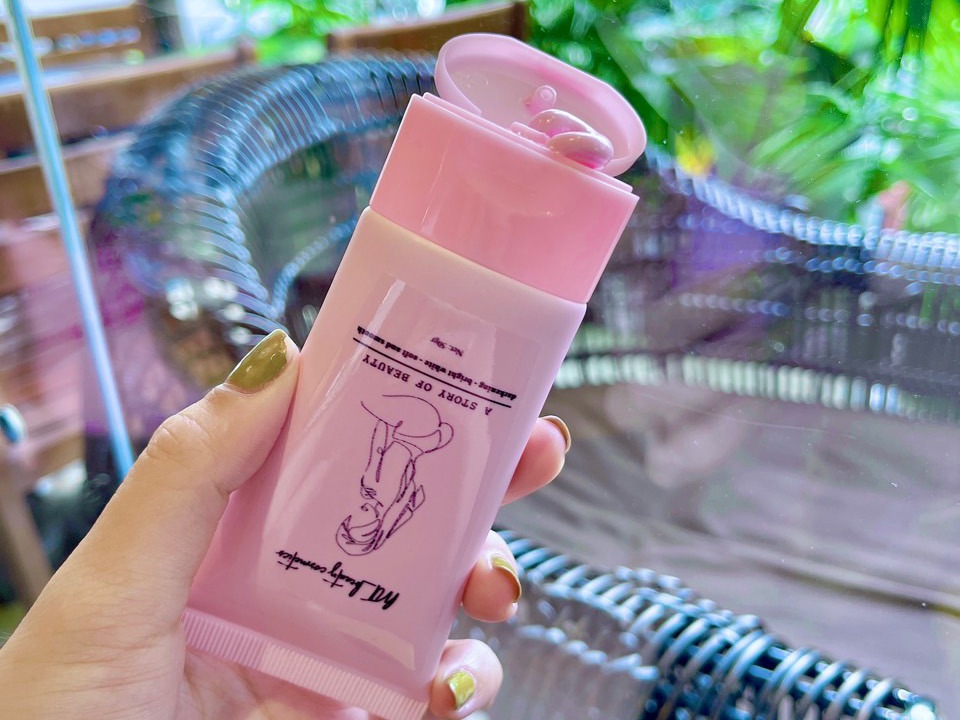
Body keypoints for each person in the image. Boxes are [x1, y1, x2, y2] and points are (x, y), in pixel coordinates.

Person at [0, 331, 571, 719]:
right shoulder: (387, 493)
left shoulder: (387, 496)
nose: (355, 519)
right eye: (359, 527)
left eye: (353, 527)